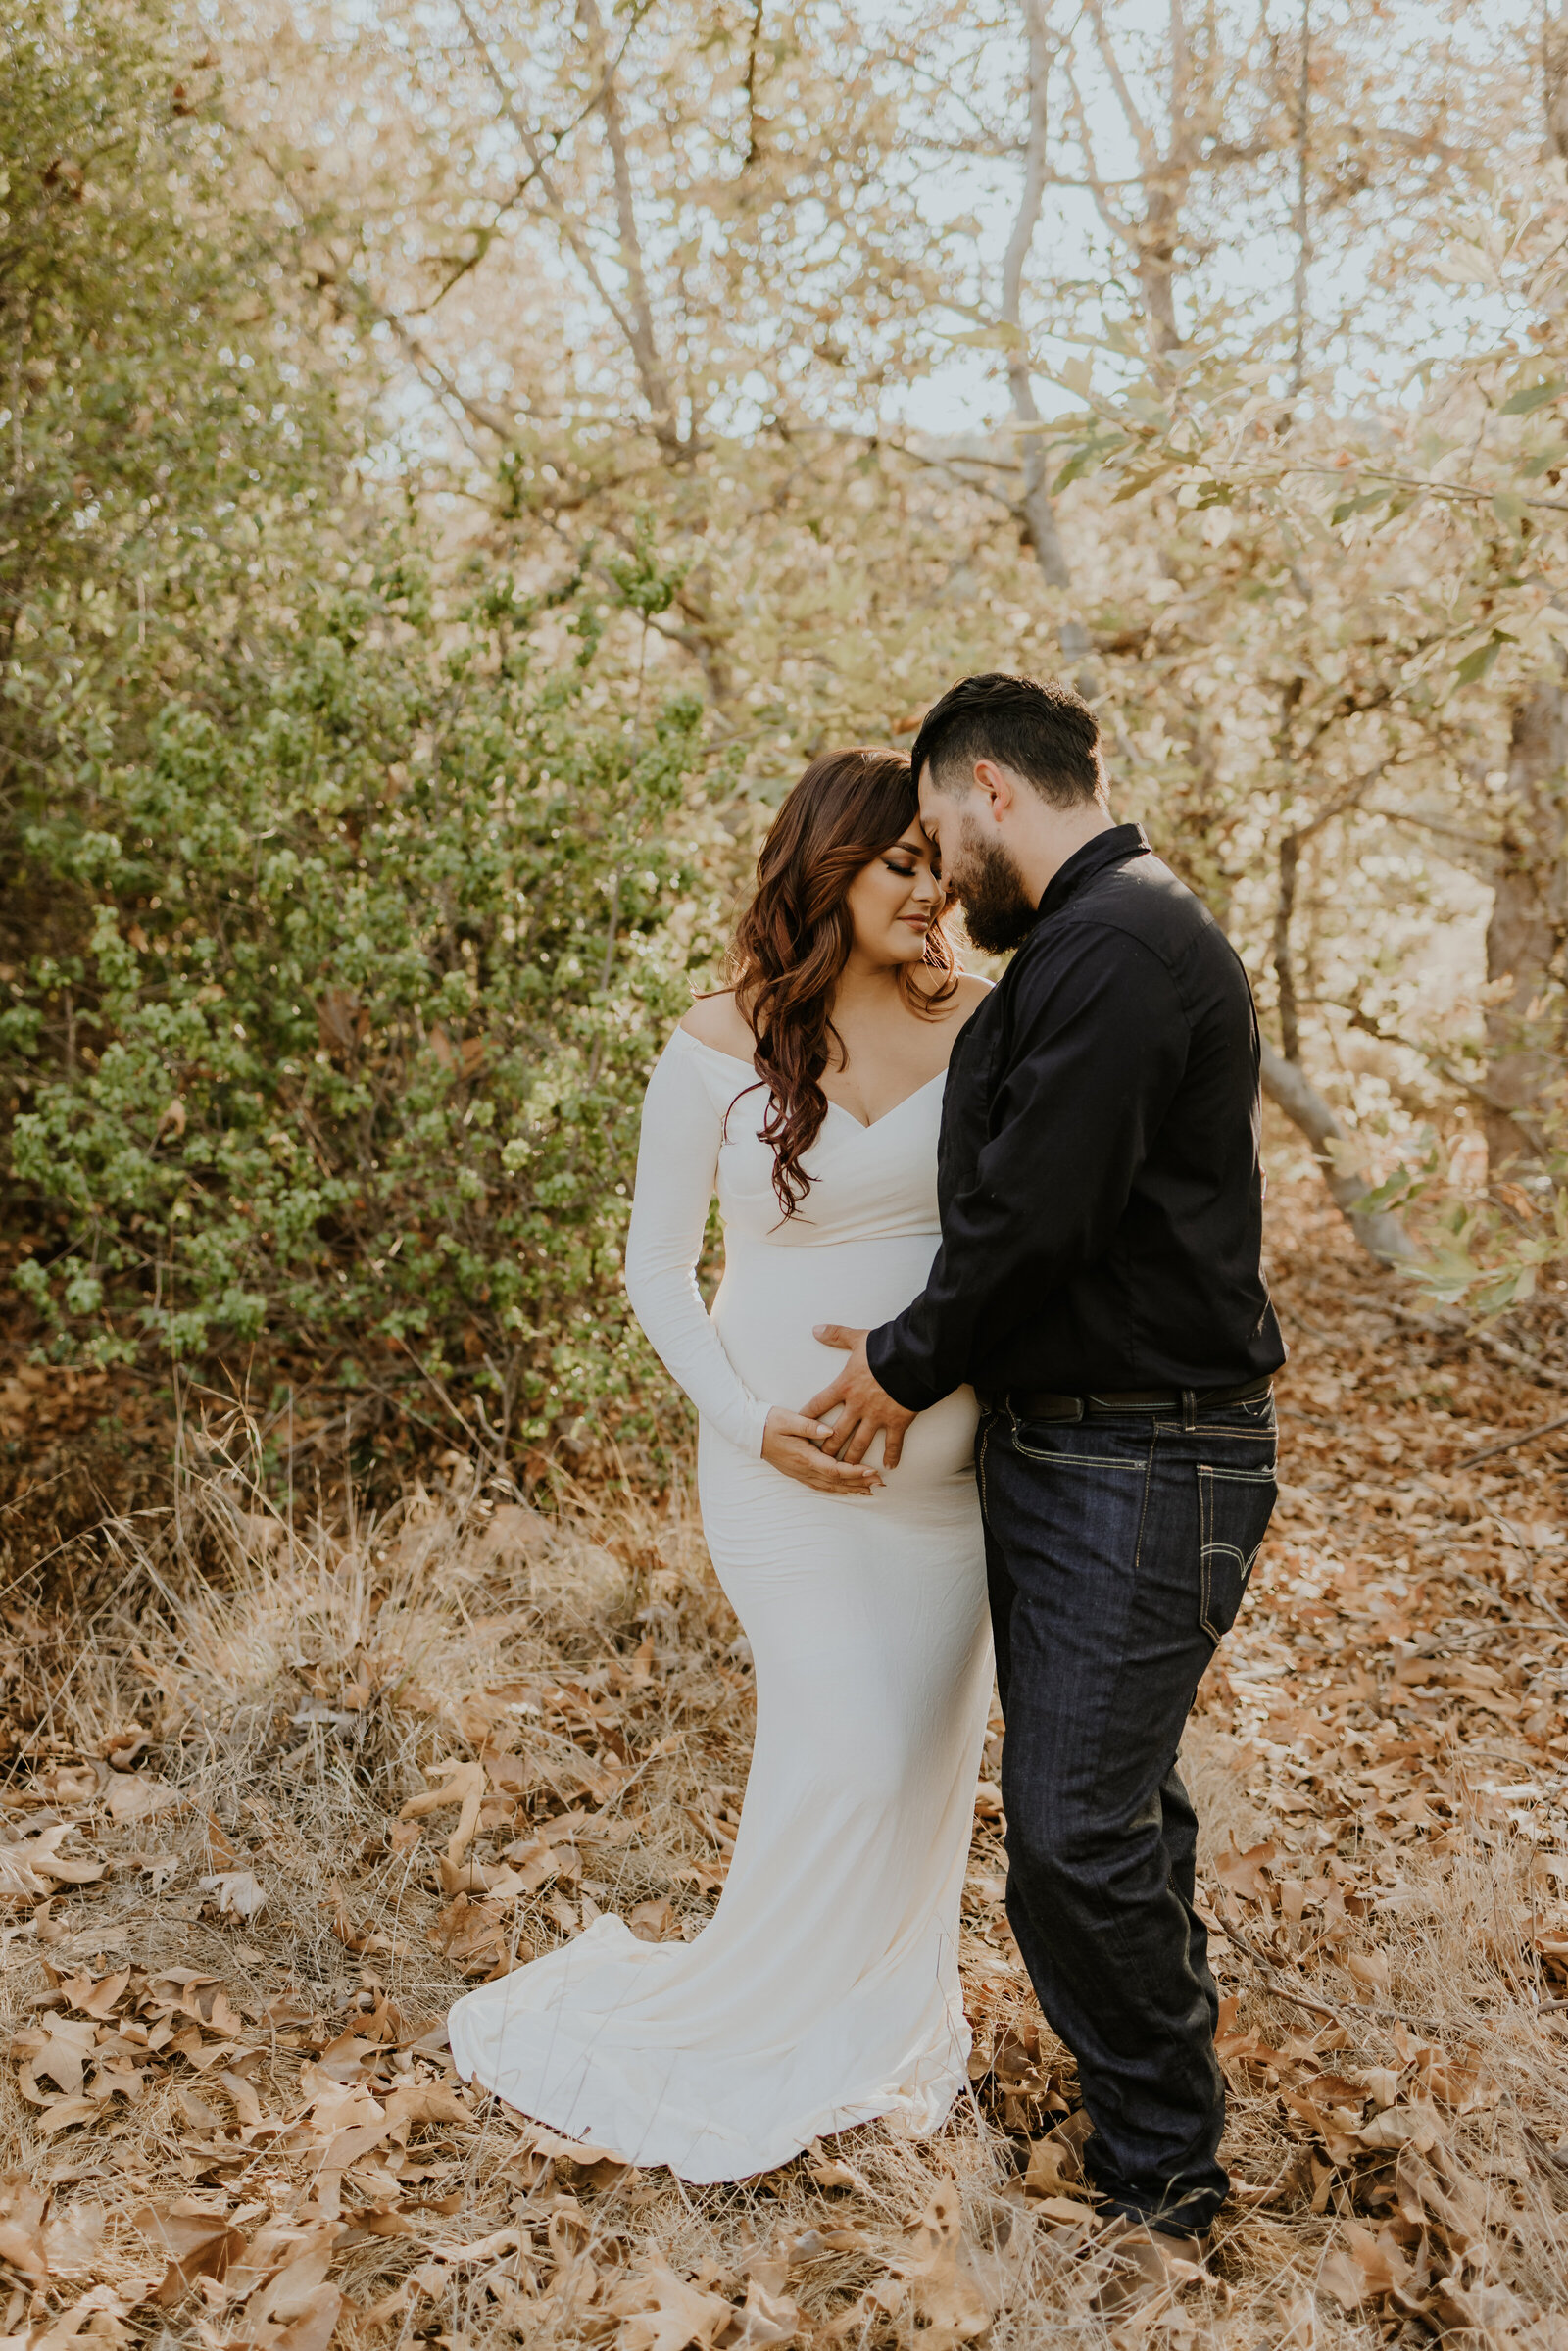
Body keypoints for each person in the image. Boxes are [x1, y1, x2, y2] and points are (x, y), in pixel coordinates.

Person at [448, 747, 995, 2182]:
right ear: (827, 865)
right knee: (855, 1744)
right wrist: (754, 1424)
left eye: (939, 864)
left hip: (949, 1488)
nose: (932, 890)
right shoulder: (714, 1042)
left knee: (918, 1764)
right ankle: (754, 2021)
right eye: (901, 864)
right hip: (776, 1473)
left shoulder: (989, 1024)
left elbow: (1026, 1239)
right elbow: (652, 1273)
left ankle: (867, 2025)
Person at [806, 673, 1285, 2286]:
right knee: (1118, 1815)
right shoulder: (1093, 945)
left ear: (992, 790)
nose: (939, 876)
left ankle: (1167, 2184)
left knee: (1076, 1836)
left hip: (1146, 1453)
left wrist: (896, 1360)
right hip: (1081, 1447)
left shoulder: (1129, 947)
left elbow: (1039, 1216)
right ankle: (1163, 2122)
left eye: (939, 835)